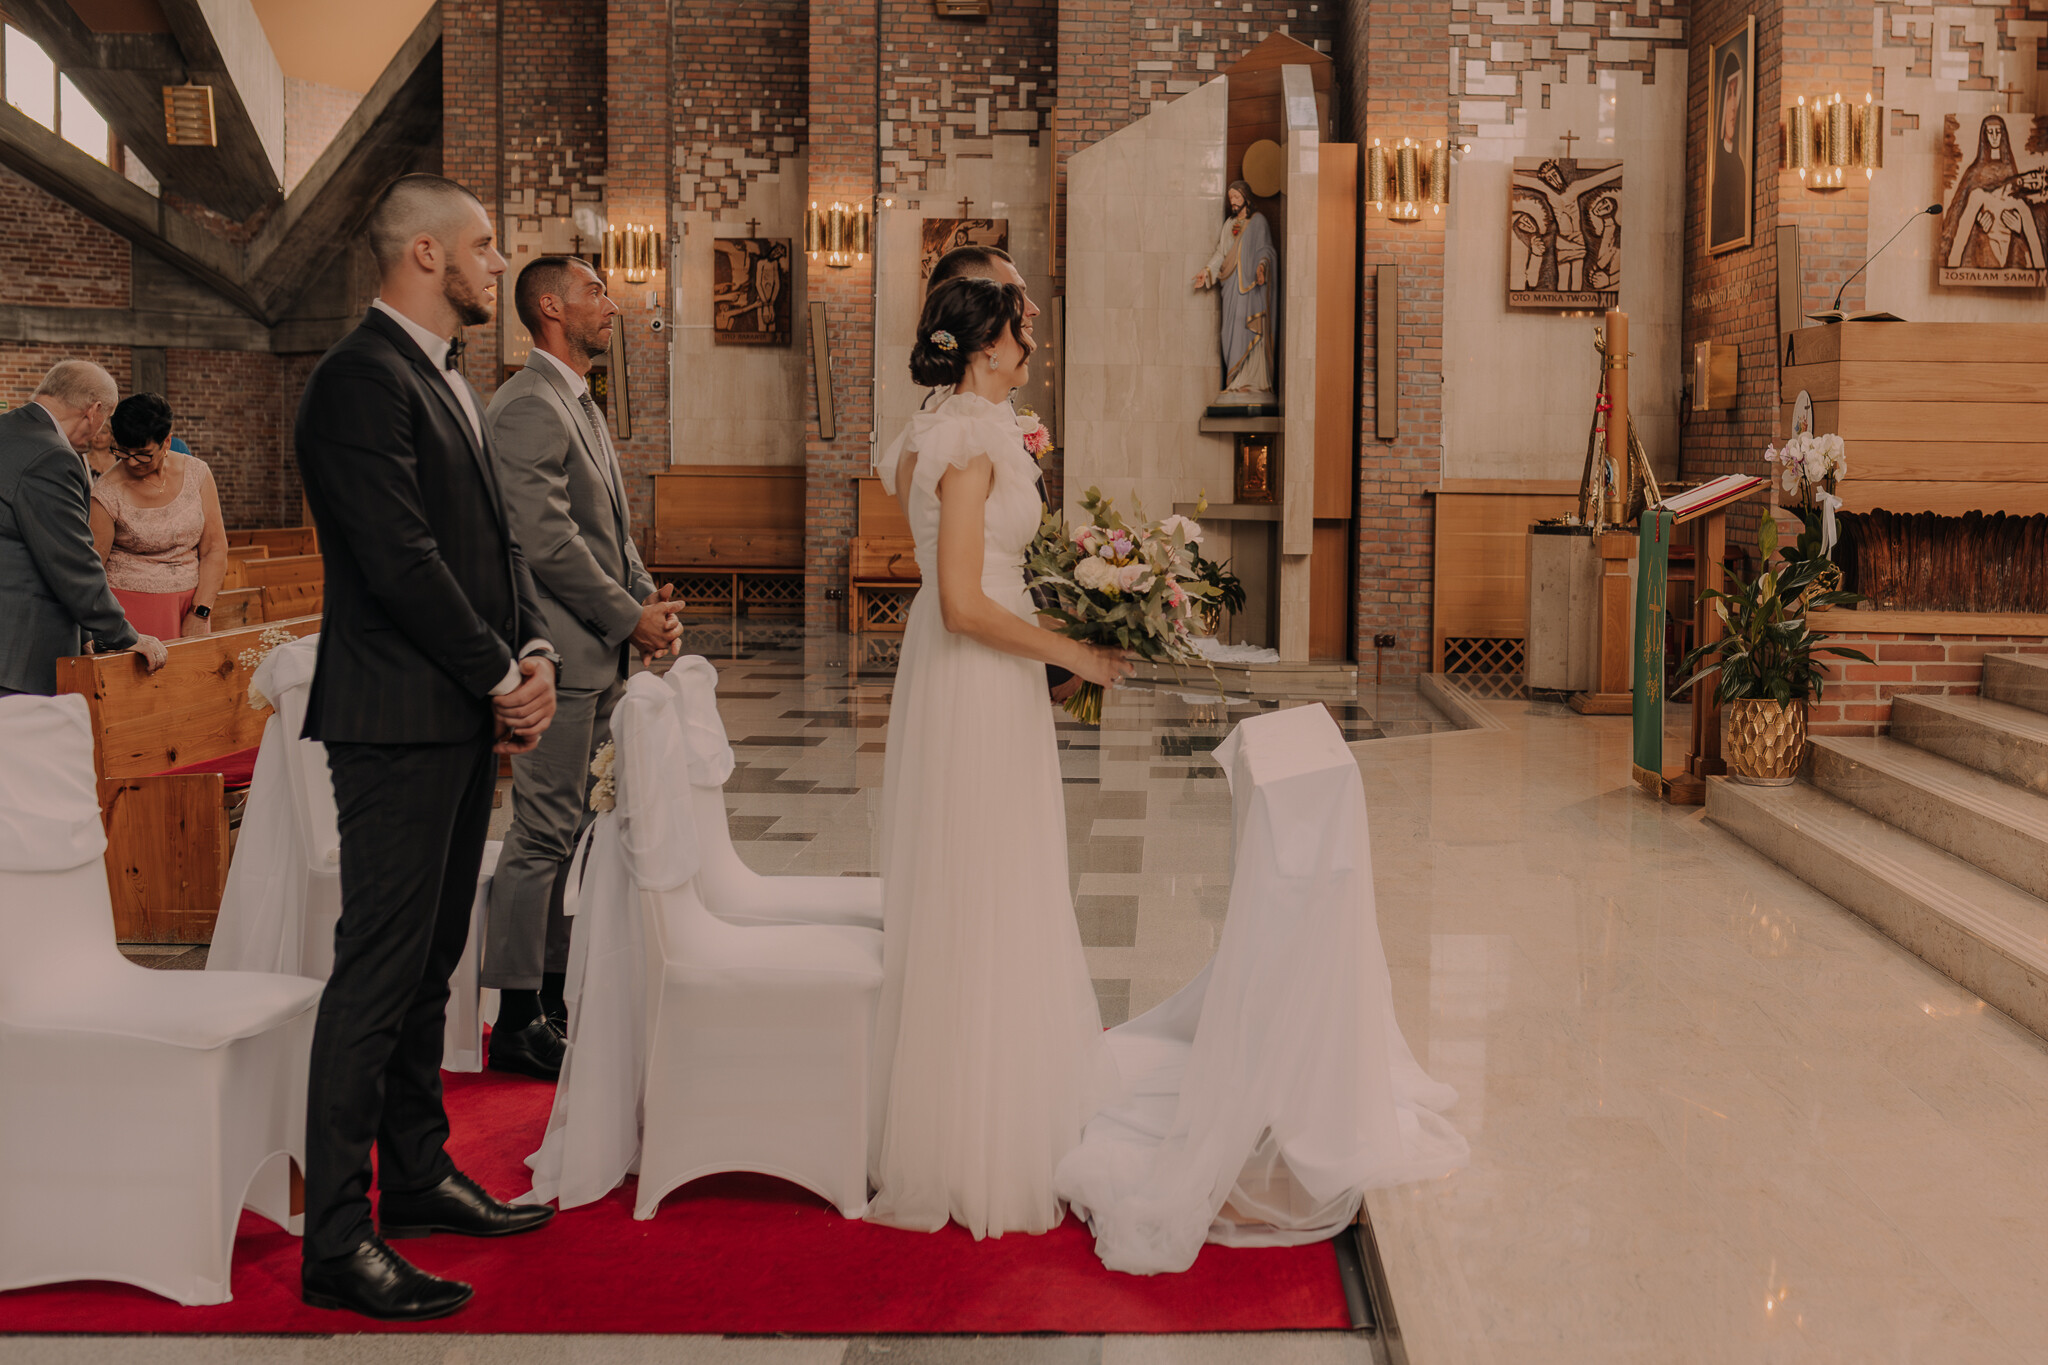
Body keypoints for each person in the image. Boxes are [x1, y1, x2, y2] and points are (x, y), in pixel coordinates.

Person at [294, 173, 559, 1323]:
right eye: (484, 245)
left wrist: (532, 646)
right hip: (395, 721)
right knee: (379, 969)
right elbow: (399, 559)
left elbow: (493, 543)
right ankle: (337, 1239)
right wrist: (500, 677)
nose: (497, 264)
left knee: (431, 960)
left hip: (451, 712)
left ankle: (414, 1174)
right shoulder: (359, 379)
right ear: (423, 254)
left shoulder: (443, 375)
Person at [866, 276, 1132, 1238]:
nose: (1033, 343)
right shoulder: (970, 441)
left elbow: (995, 582)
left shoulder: (960, 425)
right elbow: (961, 603)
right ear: (986, 346)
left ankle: (1002, 1096)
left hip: (991, 679)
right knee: (981, 883)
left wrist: (1051, 655)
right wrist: (1075, 653)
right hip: (972, 678)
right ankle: (972, 1137)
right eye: (1023, 329)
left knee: (999, 877)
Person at [482, 254, 682, 1080]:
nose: (614, 303)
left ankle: (556, 997)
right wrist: (625, 616)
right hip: (557, 656)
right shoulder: (528, 404)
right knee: (540, 831)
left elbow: (609, 530)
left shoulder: (578, 400)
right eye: (597, 290)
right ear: (551, 307)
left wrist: (646, 599)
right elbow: (546, 540)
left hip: (598, 650)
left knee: (577, 829)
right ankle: (515, 1016)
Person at [922, 243, 1078, 704]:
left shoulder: (971, 419)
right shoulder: (963, 437)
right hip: (982, 660)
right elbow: (973, 588)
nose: (1031, 311)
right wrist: (1071, 656)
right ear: (985, 329)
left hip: (1009, 646)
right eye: (1016, 296)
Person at [0, 360, 166, 696]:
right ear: (93, 411)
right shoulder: (52, 455)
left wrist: (85, 634)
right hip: (18, 650)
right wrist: (121, 634)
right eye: (106, 418)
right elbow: (70, 559)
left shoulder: (8, 429)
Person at [89, 393, 227, 641]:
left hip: (192, 605)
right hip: (130, 610)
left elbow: (214, 549)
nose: (132, 463)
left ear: (166, 442)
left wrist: (200, 612)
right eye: (123, 452)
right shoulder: (106, 492)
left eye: (143, 454)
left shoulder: (197, 474)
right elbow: (93, 568)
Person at [1192, 180, 1278, 406]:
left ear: (1246, 198)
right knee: (1230, 332)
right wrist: (1206, 272)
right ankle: (1235, 381)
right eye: (1231, 198)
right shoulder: (1229, 224)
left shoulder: (1258, 221)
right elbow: (1221, 253)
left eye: (1237, 197)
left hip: (1252, 288)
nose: (1233, 202)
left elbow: (1266, 249)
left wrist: (1262, 267)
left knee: (1250, 327)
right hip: (1231, 286)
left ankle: (1254, 382)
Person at [1709, 47, 1749, 249]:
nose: (1733, 106)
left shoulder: (1739, 167)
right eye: (1730, 94)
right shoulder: (1716, 168)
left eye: (1737, 94)